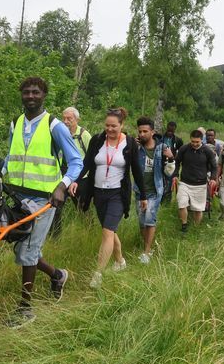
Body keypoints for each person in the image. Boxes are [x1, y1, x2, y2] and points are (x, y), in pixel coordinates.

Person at [2, 77, 82, 327]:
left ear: (44, 95)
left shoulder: (54, 126)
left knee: (28, 252)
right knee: (23, 249)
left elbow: (77, 161)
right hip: (17, 197)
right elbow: (11, 156)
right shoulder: (15, 123)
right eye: (26, 92)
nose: (30, 96)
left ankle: (25, 308)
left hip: (45, 199)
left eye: (35, 92)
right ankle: (57, 276)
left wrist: (62, 187)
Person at [69, 108, 147, 288]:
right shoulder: (97, 140)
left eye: (114, 126)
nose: (110, 129)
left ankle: (98, 274)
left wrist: (143, 195)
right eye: (107, 126)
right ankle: (120, 261)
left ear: (122, 125)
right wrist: (76, 180)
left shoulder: (129, 144)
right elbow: (87, 163)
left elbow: (136, 170)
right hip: (98, 193)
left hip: (117, 194)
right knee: (109, 231)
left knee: (107, 232)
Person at [135, 117, 175, 264]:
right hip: (139, 191)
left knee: (149, 219)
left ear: (152, 132)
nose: (142, 134)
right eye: (140, 131)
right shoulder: (137, 148)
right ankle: (147, 245)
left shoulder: (162, 147)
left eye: (145, 131)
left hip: (155, 190)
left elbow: (169, 172)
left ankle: (146, 252)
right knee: (141, 221)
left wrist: (170, 159)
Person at [49, 106, 92, 236]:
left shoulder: (84, 135)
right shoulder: (60, 134)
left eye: (70, 118)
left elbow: (92, 156)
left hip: (81, 177)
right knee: (56, 205)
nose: (66, 121)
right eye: (64, 118)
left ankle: (88, 233)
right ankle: (55, 236)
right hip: (64, 174)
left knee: (82, 207)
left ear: (77, 119)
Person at [173, 129, 217, 233]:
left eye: (197, 142)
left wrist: (213, 179)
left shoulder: (207, 151)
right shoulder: (184, 149)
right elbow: (177, 162)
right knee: (181, 203)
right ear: (190, 139)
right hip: (185, 182)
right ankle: (184, 225)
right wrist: (175, 175)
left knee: (198, 208)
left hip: (200, 184)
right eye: (193, 141)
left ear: (201, 140)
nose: (195, 144)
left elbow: (214, 166)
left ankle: (196, 228)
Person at [160, 121, 184, 204]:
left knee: (169, 183)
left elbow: (181, 152)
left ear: (174, 130)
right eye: (168, 130)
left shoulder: (178, 140)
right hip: (160, 163)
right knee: (160, 182)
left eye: (172, 131)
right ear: (166, 128)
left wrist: (176, 160)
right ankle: (159, 201)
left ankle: (166, 203)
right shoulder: (160, 138)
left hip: (171, 164)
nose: (170, 132)